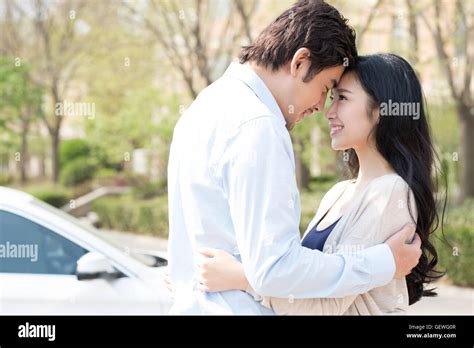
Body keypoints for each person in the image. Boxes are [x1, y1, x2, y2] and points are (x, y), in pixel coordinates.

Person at [167, 0, 422, 314]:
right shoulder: (258, 125)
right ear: (300, 63)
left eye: (340, 97)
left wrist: (240, 277)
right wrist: (384, 262)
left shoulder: (201, 109)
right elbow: (275, 270)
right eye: (327, 88)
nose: (321, 108)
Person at [197, 54, 444, 314]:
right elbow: (298, 279)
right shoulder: (339, 193)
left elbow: (324, 307)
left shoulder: (390, 192)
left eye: (343, 98)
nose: (329, 112)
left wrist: (241, 277)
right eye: (331, 98)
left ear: (382, 109)